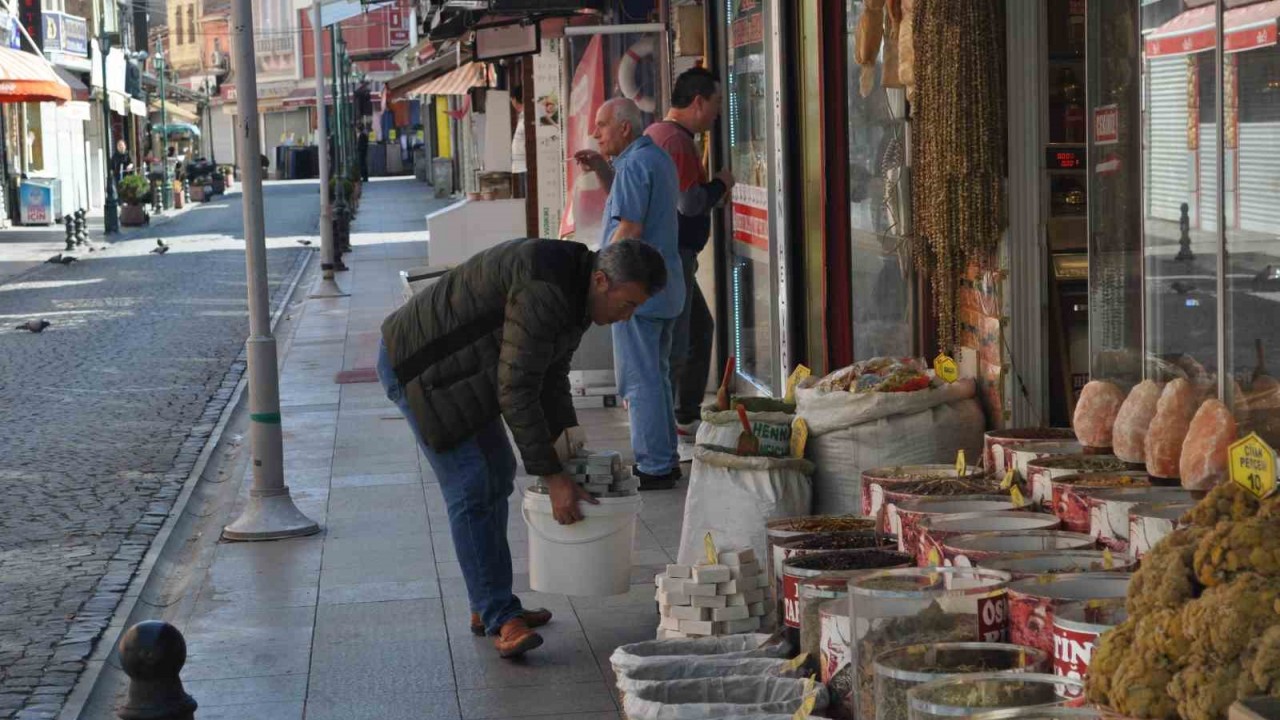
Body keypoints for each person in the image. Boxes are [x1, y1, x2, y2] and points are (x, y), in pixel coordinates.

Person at [377, 238, 668, 658]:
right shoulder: (548, 290)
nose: (627, 317)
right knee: (473, 487)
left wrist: (568, 443)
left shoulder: (578, 287)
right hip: (422, 368)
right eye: (627, 304)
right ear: (603, 280)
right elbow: (517, 389)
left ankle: (488, 602)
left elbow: (551, 373)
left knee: (497, 471)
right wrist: (553, 477)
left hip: (465, 370)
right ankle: (499, 615)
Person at [575, 98, 684, 491]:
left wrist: (599, 274)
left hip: (635, 293)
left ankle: (654, 466)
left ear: (625, 127)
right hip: (662, 289)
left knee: (641, 382)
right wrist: (604, 170)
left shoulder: (636, 164)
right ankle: (665, 459)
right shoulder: (653, 159)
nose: (596, 132)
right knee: (657, 377)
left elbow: (629, 229)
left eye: (602, 125)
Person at [644, 68, 734, 460]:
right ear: (698, 102)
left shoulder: (659, 135)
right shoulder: (676, 142)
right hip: (675, 256)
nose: (716, 114)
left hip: (672, 255)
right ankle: (676, 423)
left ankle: (680, 417)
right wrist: (721, 184)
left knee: (696, 332)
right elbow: (689, 202)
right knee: (682, 341)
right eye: (715, 104)